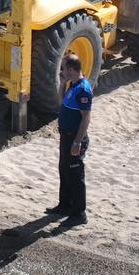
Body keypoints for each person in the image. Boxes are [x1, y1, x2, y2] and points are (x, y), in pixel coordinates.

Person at [46, 53, 92, 225]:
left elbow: (86, 117)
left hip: (74, 138)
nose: (61, 71)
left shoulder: (83, 90)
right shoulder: (72, 84)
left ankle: (79, 214)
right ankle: (64, 205)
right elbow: (61, 103)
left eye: (63, 69)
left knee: (75, 175)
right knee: (64, 171)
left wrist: (77, 142)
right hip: (65, 137)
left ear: (72, 70)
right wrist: (62, 85)